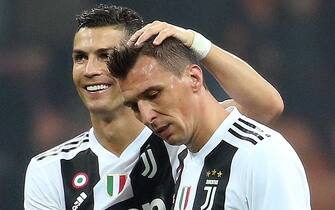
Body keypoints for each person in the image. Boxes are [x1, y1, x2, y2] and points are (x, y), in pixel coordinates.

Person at [24, 4, 283, 210]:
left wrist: (195, 43)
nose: (90, 70)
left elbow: (265, 108)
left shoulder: (181, 133)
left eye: (105, 56)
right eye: (80, 58)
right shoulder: (51, 170)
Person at [107, 22, 310, 209]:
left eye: (154, 94)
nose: (146, 116)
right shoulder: (183, 160)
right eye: (134, 106)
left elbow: (267, 105)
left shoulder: (262, 154)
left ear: (194, 78)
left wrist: (198, 43)